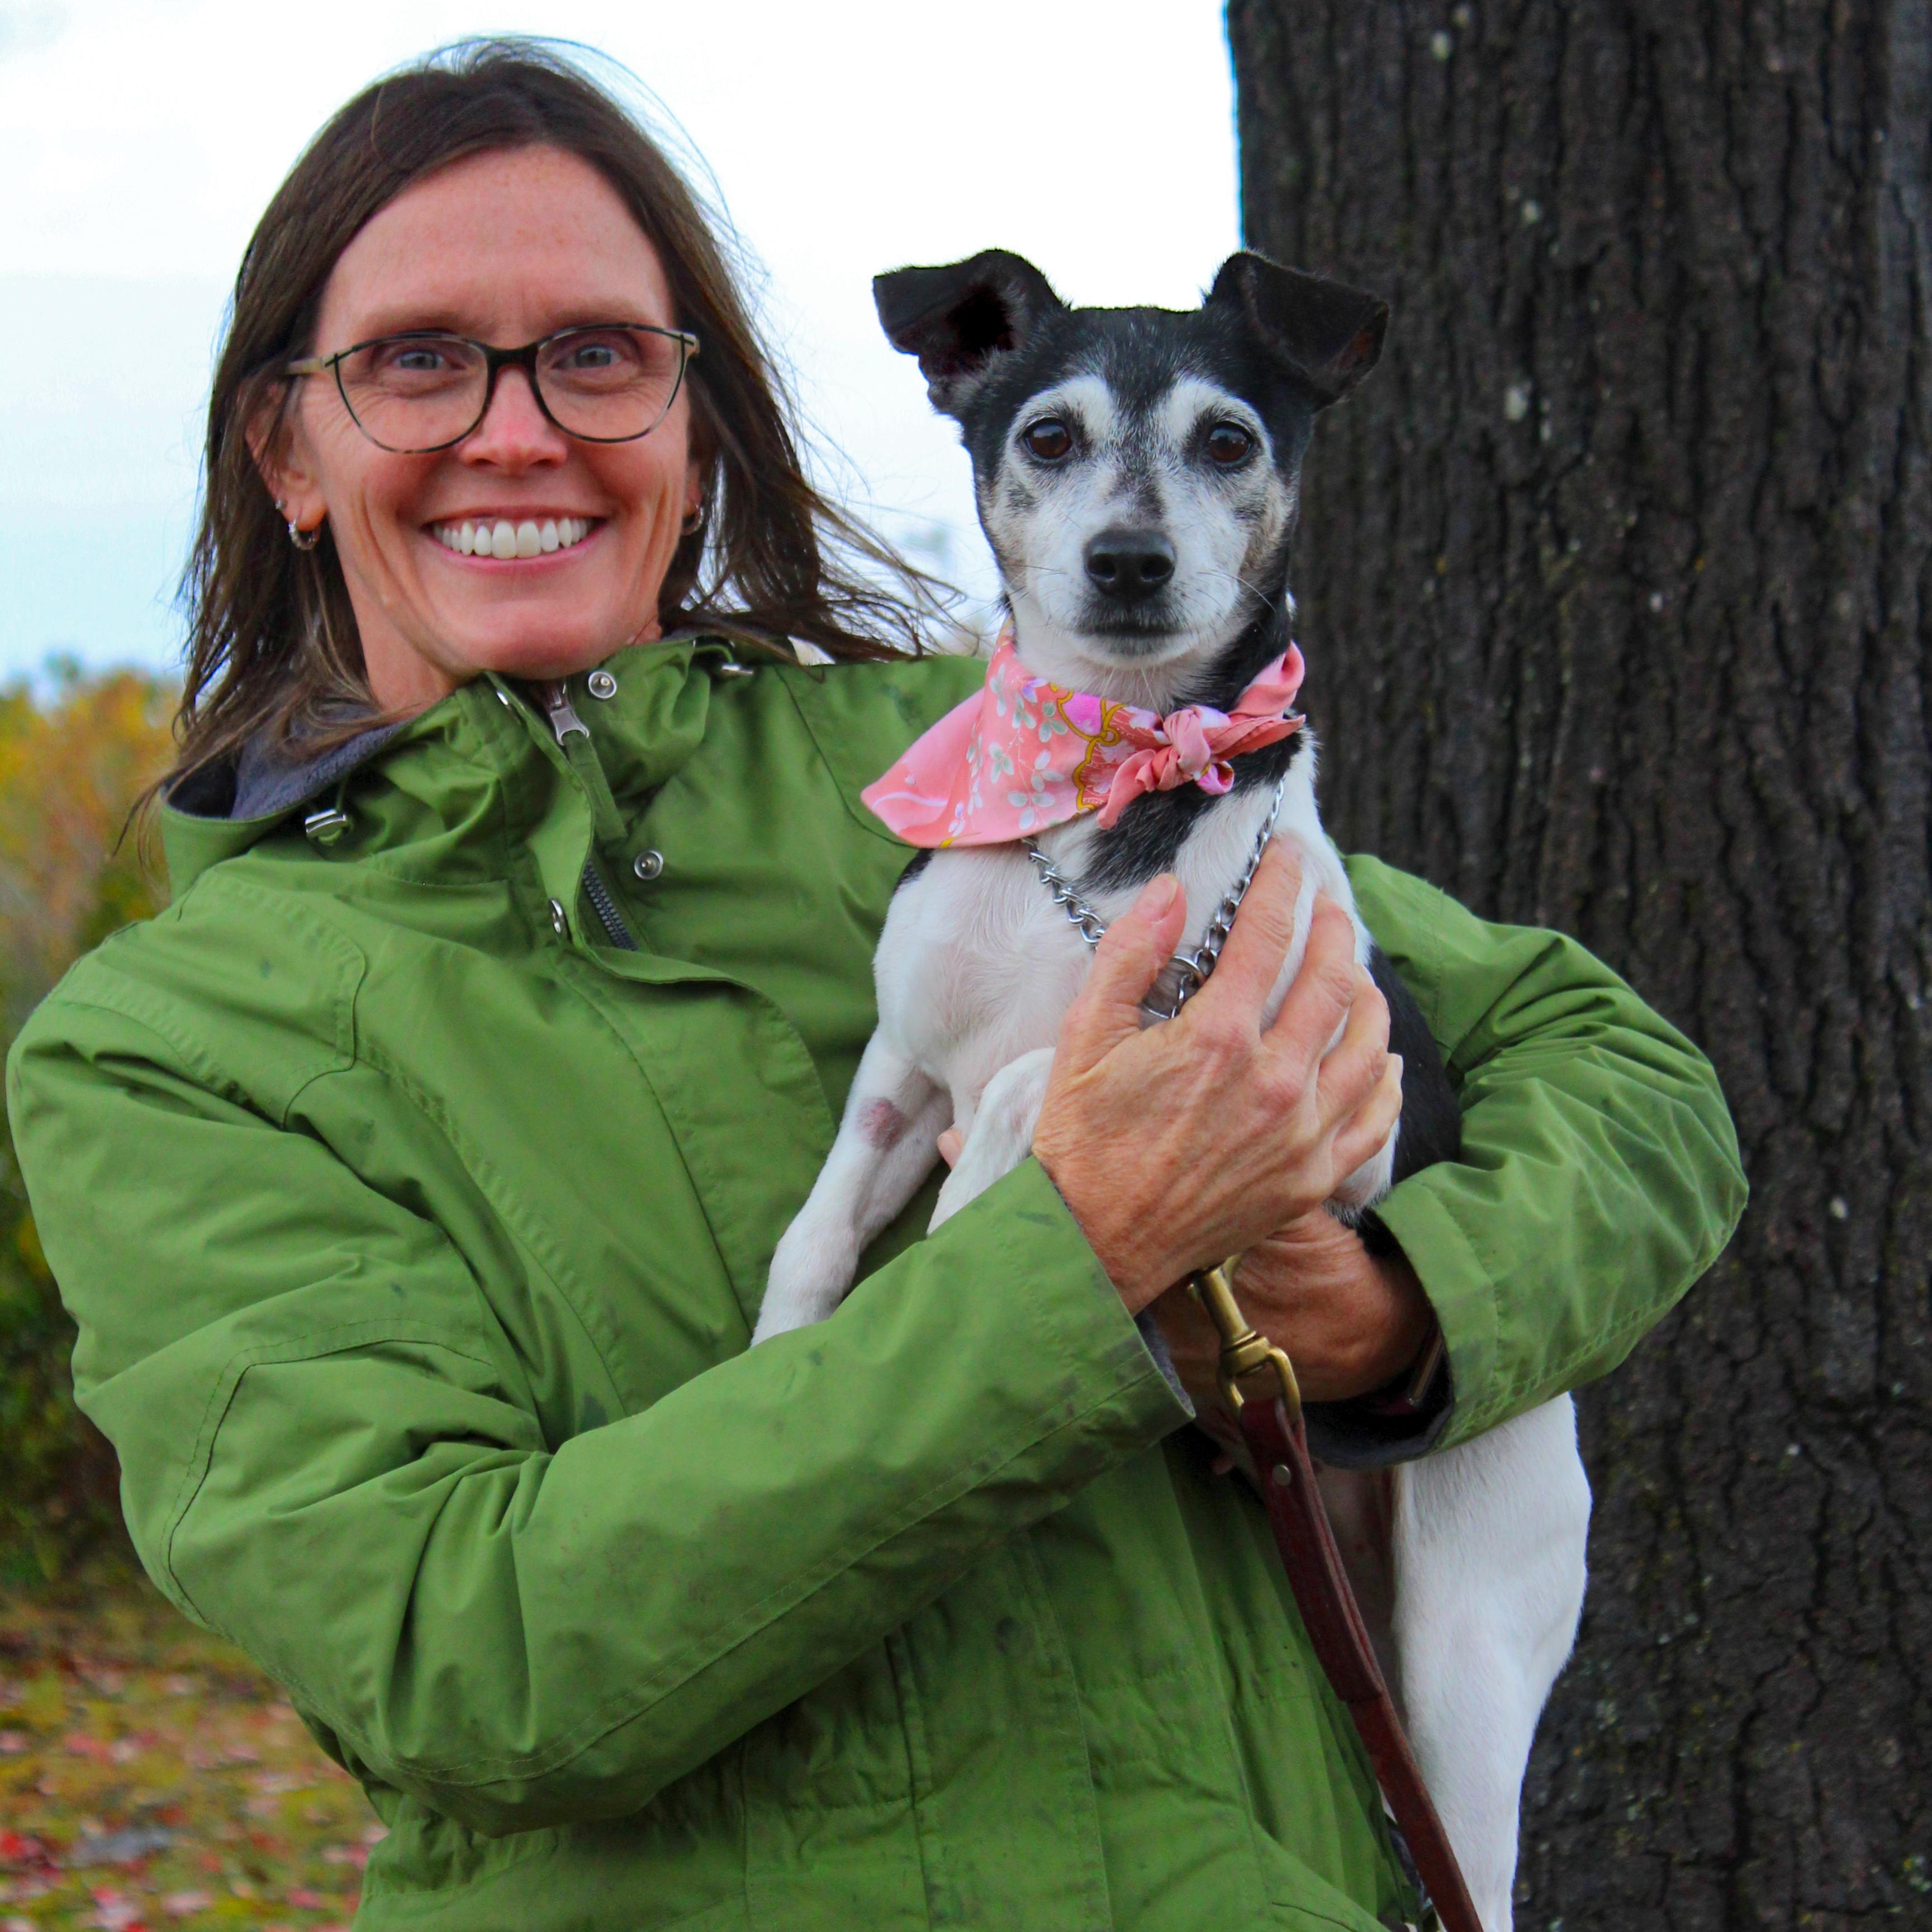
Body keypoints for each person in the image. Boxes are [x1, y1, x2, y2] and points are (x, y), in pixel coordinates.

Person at [7, 40, 1746, 1932]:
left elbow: (1626, 1085)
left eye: (598, 355)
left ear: (692, 426)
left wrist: (1380, 1316)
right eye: (419, 361)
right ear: (288, 451)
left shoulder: (994, 759)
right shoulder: (170, 1046)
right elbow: (459, 1658)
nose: (517, 432)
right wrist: (1077, 1268)